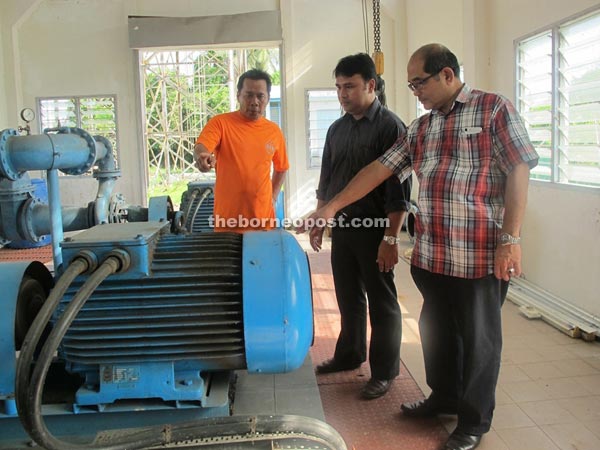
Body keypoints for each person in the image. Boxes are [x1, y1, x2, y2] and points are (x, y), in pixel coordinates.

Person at [305, 44, 538, 450]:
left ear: (447, 75)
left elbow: (519, 166)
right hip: (433, 255)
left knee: (480, 343)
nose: (415, 90)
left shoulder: (493, 110)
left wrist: (511, 238)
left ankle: (473, 422)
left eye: (419, 82)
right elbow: (379, 170)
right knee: (437, 334)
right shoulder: (422, 127)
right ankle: (443, 397)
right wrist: (329, 208)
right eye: (411, 84)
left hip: (478, 254)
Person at [309, 53, 411, 400]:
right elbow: (328, 179)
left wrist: (391, 238)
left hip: (376, 228)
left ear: (371, 85)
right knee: (348, 296)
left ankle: (384, 371)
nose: (342, 94)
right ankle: (349, 354)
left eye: (349, 86)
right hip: (344, 227)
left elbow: (399, 191)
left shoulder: (391, 127)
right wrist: (321, 217)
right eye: (338, 87)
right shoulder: (337, 129)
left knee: (382, 301)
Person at [194, 69, 288, 233]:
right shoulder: (221, 123)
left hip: (263, 222)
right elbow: (202, 146)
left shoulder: (274, 131)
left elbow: (282, 168)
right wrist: (203, 156)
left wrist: (273, 196)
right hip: (228, 222)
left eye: (260, 96)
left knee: (263, 259)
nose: (254, 102)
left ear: (267, 98)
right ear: (238, 96)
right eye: (248, 95)